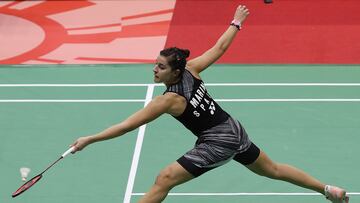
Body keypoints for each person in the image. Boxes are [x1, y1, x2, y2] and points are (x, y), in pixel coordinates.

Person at [70, 5, 349, 203]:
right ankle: (327, 190)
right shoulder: (192, 69)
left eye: (161, 67)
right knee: (273, 169)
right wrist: (235, 22)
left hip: (219, 141)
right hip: (233, 128)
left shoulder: (168, 100)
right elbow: (219, 48)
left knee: (164, 178)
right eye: (155, 65)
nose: (154, 70)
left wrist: (90, 139)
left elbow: (127, 126)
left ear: (174, 72)